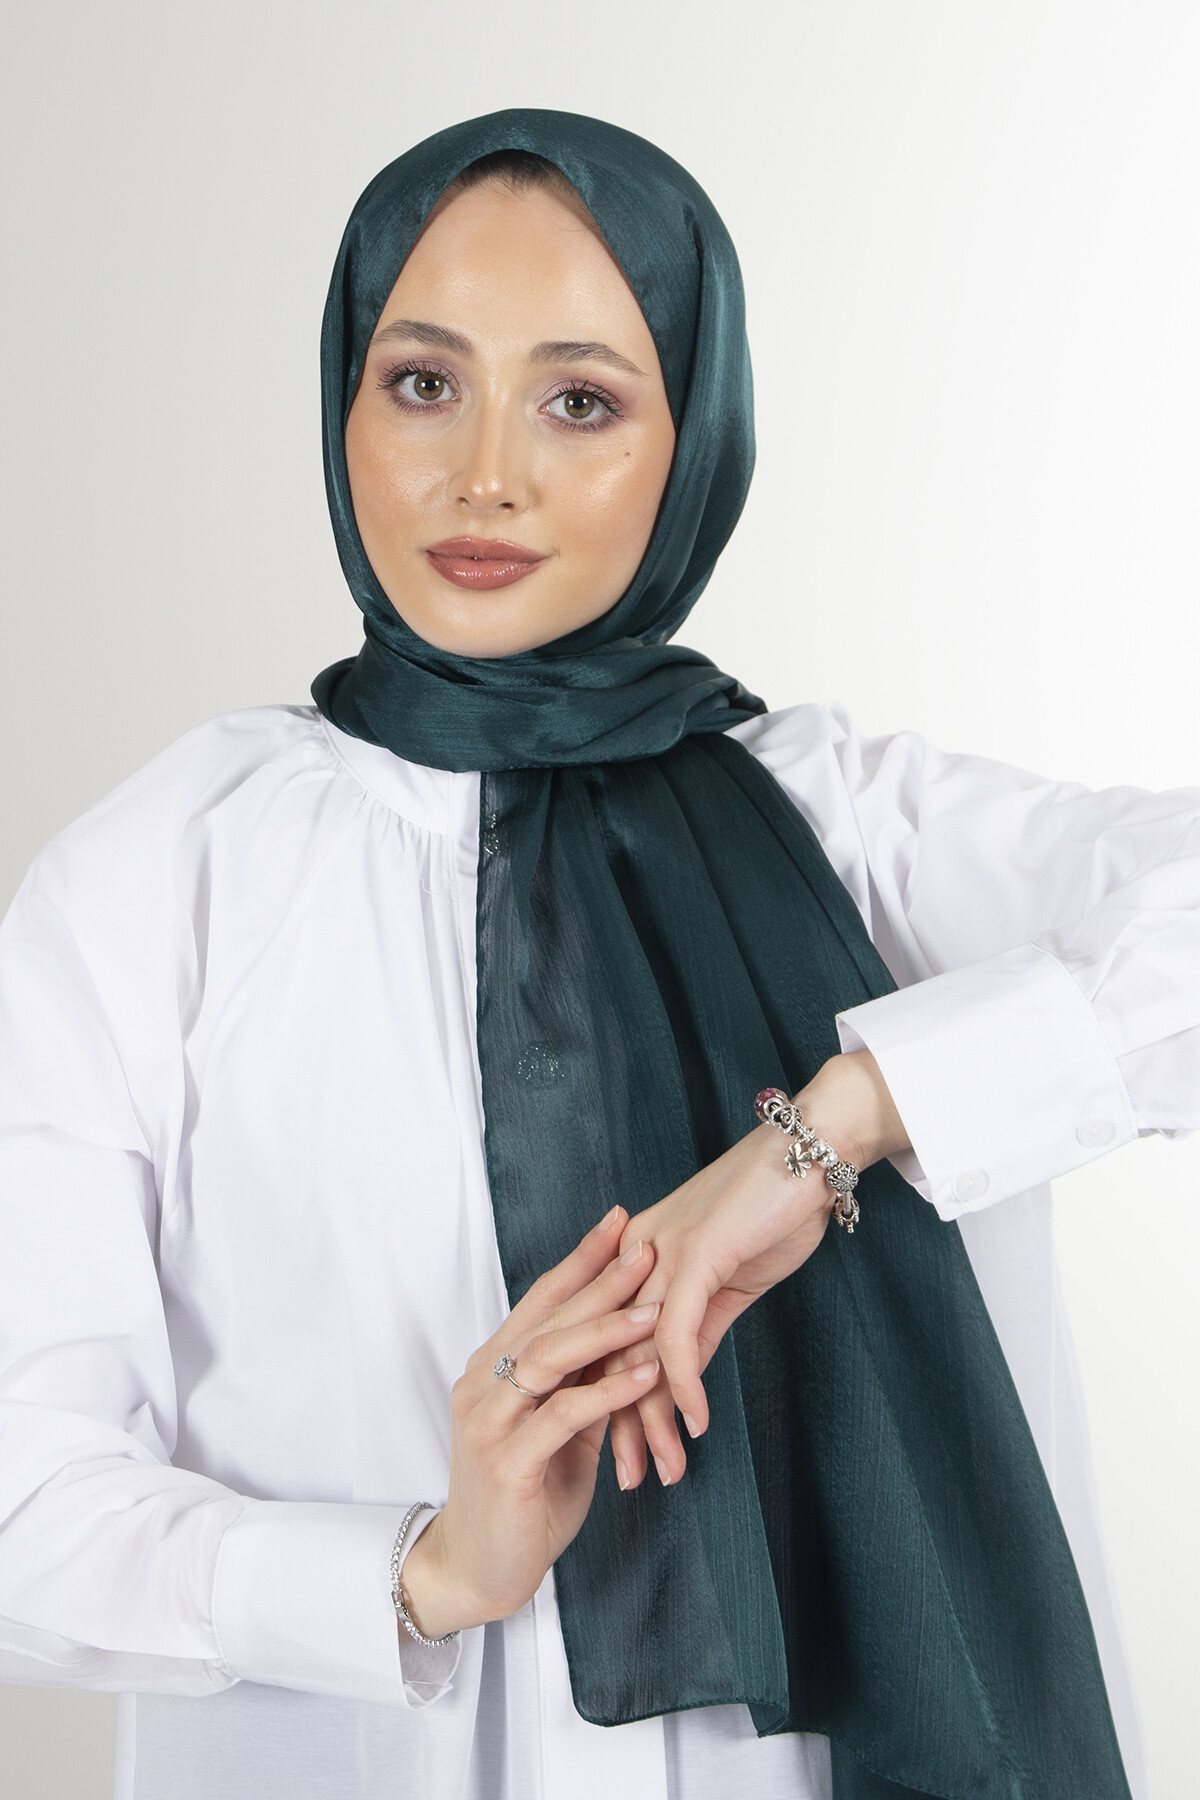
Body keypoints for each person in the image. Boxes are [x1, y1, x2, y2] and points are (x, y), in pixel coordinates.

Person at [0, 107, 1189, 1800]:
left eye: (579, 402)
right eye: (424, 382)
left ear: (696, 435)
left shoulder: (847, 830)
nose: (484, 472)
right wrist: (416, 1574)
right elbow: (22, 1501)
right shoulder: (158, 882)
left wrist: (839, 1127)